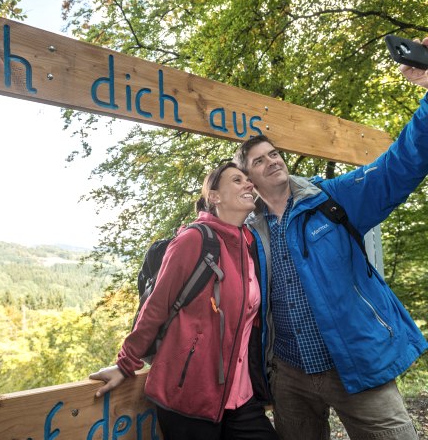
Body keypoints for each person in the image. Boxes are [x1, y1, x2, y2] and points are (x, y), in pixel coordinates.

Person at [233, 39, 428, 440]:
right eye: (259, 161)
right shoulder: (249, 233)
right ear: (249, 179)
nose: (272, 161)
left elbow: (401, 164)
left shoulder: (334, 199)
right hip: (290, 375)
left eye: (274, 154)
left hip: (355, 362)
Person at [89, 162, 279, 440]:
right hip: (188, 399)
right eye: (237, 180)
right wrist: (125, 363)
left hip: (240, 399)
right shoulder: (194, 239)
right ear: (214, 197)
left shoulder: (249, 245)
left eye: (248, 181)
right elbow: (156, 307)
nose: (249, 184)